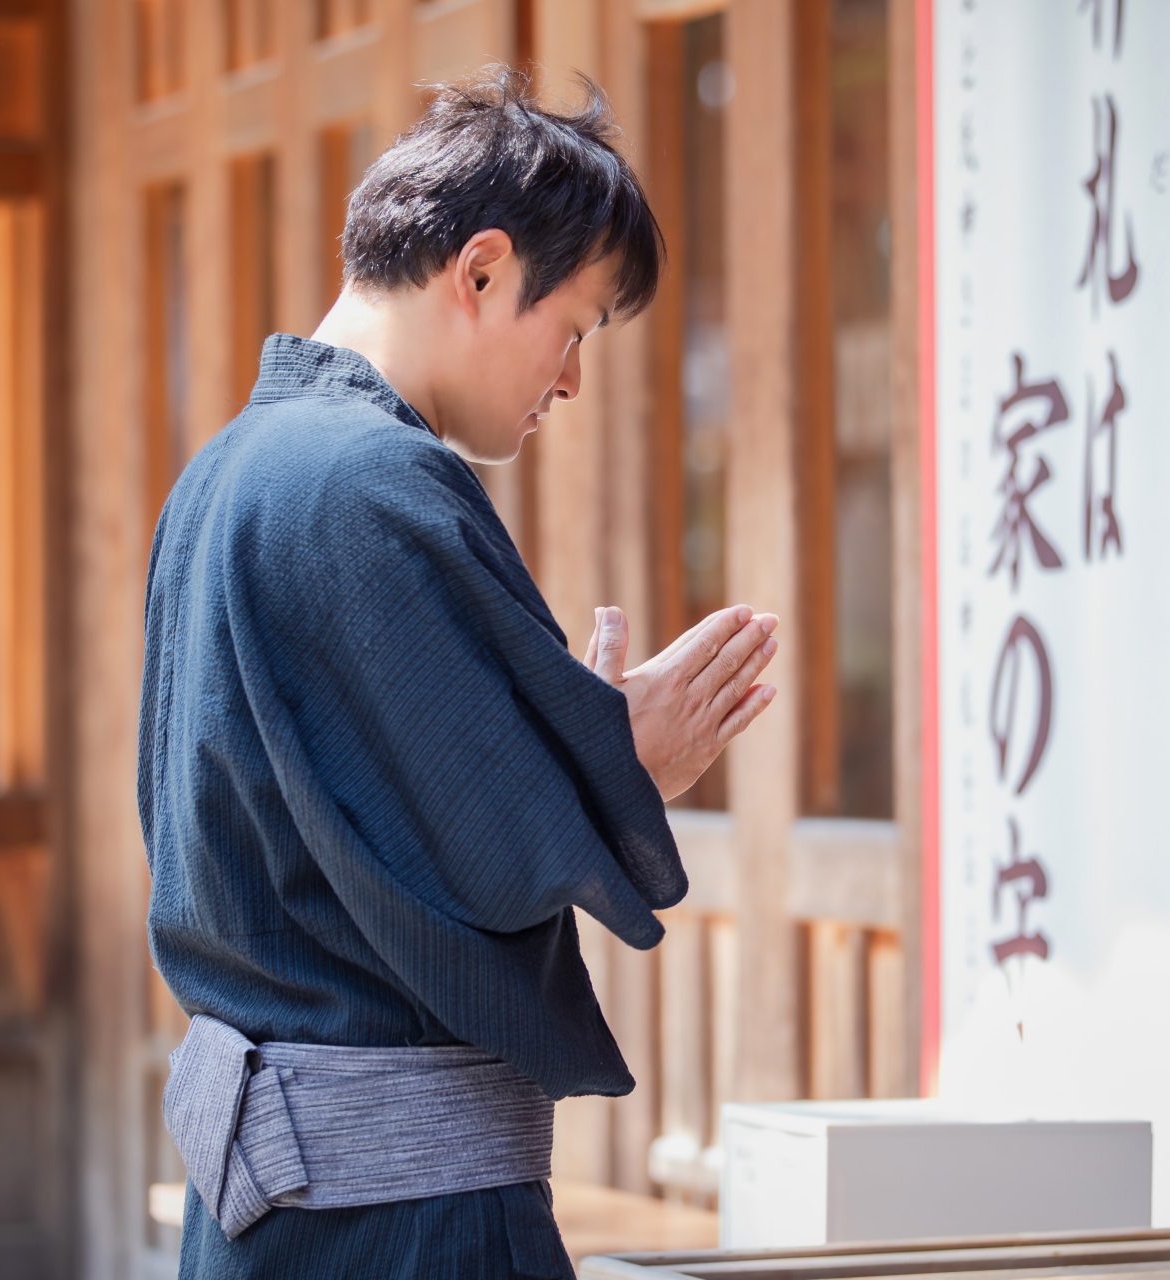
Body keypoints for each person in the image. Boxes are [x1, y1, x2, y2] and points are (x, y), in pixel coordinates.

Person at [139, 67, 779, 1279]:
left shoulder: (221, 475)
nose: (573, 379)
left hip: (269, 1206)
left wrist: (567, 742)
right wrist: (616, 756)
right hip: (402, 1221)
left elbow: (386, 805)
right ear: (480, 270)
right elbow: (478, 844)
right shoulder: (377, 479)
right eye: (574, 328)